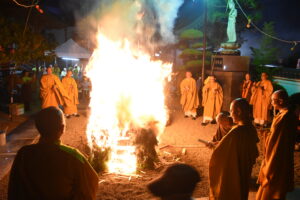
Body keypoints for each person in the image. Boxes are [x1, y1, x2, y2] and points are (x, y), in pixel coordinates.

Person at [8, 107, 99, 200]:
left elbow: (14, 188)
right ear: (62, 128)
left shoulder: (24, 154)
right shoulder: (73, 155)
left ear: (38, 127)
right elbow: (91, 182)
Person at [209, 98, 259, 200]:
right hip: (244, 169)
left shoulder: (236, 132)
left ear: (239, 111)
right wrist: (219, 143)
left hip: (235, 170)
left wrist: (214, 146)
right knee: (242, 190)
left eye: (231, 111)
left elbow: (221, 153)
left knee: (233, 190)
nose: (231, 115)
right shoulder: (250, 128)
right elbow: (240, 148)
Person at [256, 90, 297, 200]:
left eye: (273, 101)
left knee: (273, 184)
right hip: (281, 155)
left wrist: (267, 137)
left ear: (281, 101)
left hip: (277, 157)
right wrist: (268, 133)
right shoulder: (284, 115)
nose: (271, 103)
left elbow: (278, 142)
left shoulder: (285, 118)